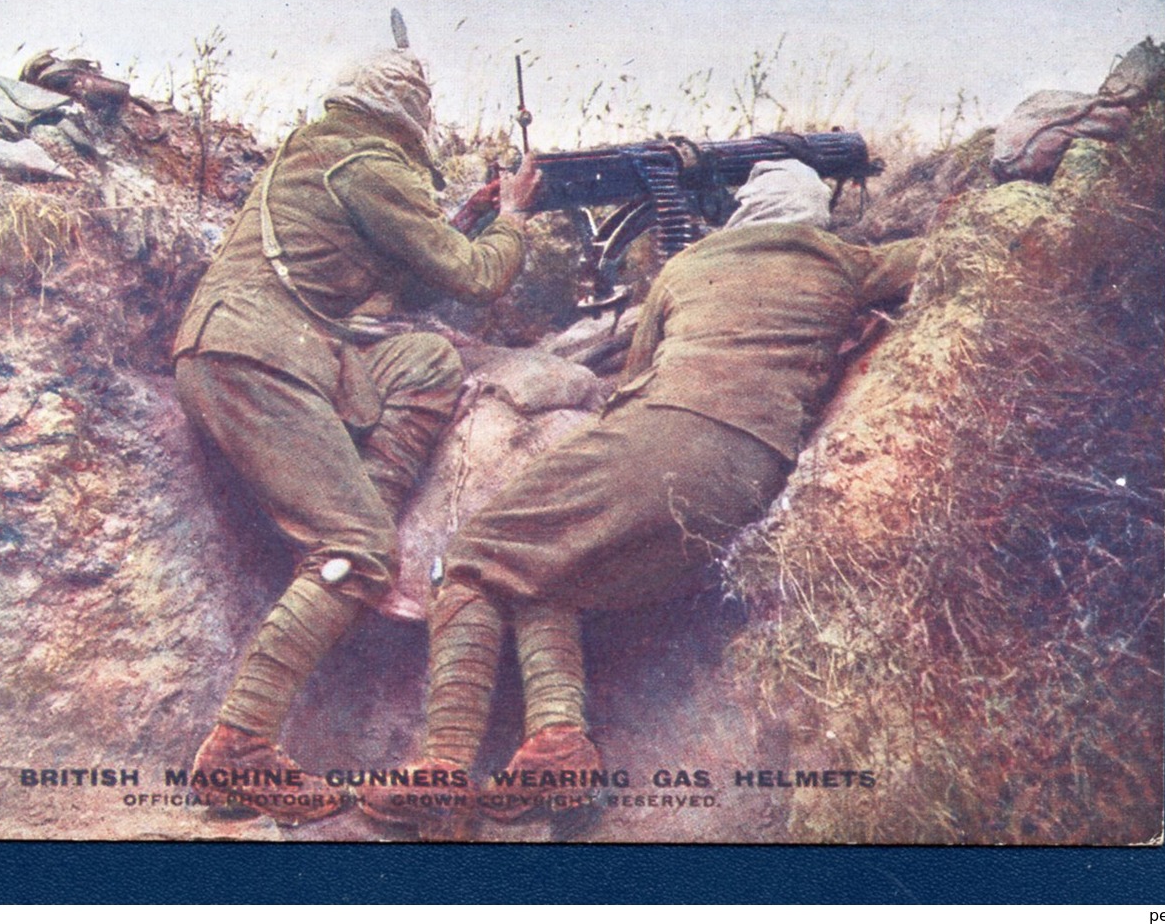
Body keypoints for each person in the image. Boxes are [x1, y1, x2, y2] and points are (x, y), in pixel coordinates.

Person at [358, 155, 922, 835]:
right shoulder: (845, 263)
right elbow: (938, 256)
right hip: (750, 480)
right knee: (547, 572)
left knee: (475, 559)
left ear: (746, 210)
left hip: (661, 435)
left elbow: (632, 378)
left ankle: (442, 768)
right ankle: (558, 751)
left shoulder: (688, 267)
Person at [172, 46, 541, 825]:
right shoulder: (372, 164)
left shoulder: (316, 155)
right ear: (406, 115)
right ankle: (238, 751)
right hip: (259, 359)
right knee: (359, 548)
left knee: (425, 359)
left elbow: (390, 270)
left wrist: (462, 221)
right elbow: (475, 278)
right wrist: (511, 219)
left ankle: (362, 512)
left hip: (262, 347)